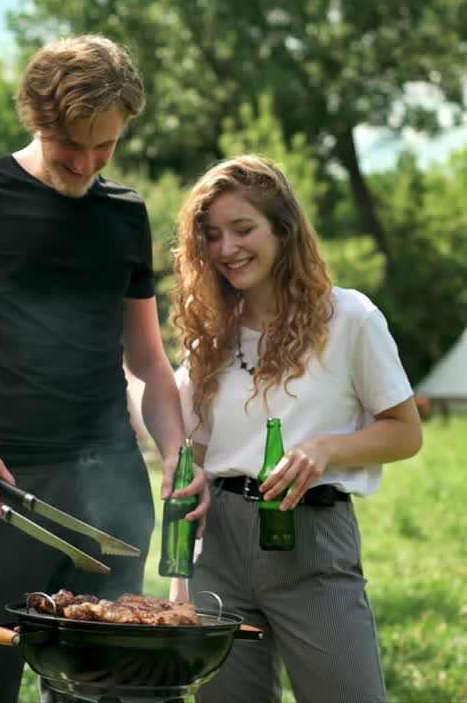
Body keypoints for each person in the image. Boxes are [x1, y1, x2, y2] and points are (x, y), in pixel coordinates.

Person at [0, 34, 206, 703]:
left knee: (115, 693)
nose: (85, 163)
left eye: (103, 146)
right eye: (68, 145)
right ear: (35, 119)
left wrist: (176, 451)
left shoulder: (125, 214)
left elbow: (146, 363)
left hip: (111, 496)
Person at [169, 155, 422, 703]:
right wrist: (179, 579)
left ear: (283, 230)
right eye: (211, 236)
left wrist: (326, 449)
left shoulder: (349, 319)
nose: (227, 249)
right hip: (222, 550)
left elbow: (405, 432)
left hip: (311, 541)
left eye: (243, 229)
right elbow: (196, 450)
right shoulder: (210, 333)